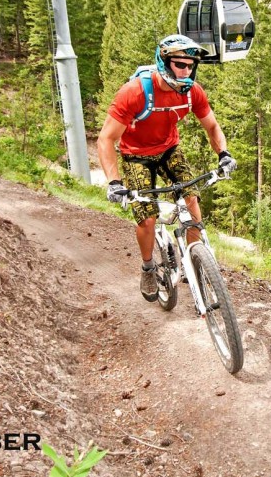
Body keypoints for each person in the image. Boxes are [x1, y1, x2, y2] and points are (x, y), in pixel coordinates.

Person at [98, 34, 237, 301]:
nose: (186, 71)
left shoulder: (192, 92)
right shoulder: (135, 92)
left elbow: (212, 127)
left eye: (190, 65)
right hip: (135, 155)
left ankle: (197, 260)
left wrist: (224, 154)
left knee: (191, 196)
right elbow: (106, 138)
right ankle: (148, 267)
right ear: (164, 62)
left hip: (169, 150)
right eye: (180, 64)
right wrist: (114, 182)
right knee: (147, 218)